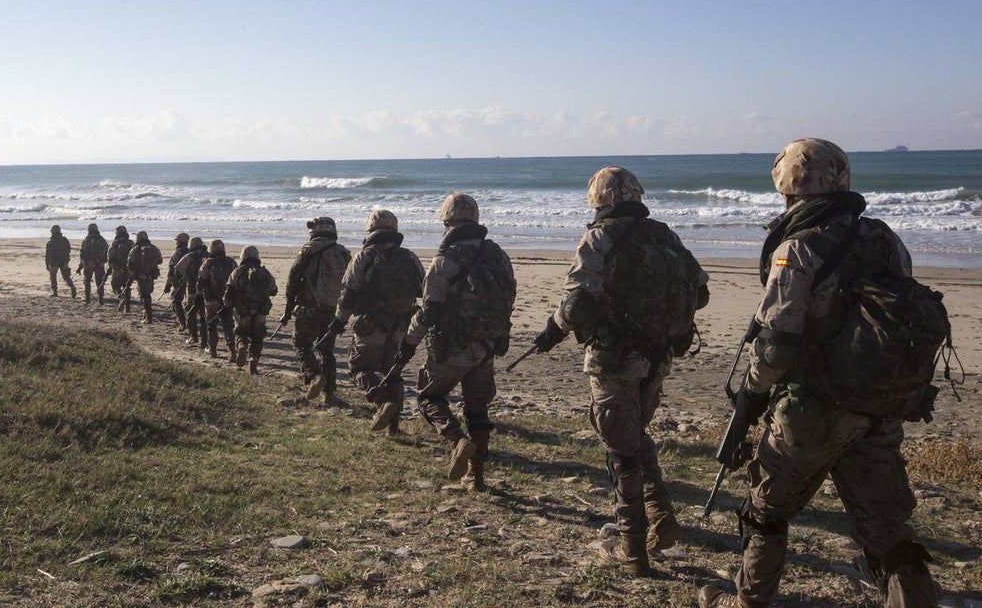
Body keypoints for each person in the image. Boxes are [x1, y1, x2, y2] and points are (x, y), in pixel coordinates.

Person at [699, 138, 939, 608]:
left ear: (788, 187)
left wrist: (750, 396)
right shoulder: (885, 239)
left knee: (764, 511)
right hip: (878, 405)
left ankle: (748, 602)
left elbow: (776, 343)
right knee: (887, 527)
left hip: (813, 412)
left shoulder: (799, 247)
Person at [532, 166, 709, 574]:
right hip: (659, 355)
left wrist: (551, 331)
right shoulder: (665, 235)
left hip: (614, 359)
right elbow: (700, 293)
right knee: (633, 435)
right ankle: (661, 515)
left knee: (620, 449)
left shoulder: (600, 237)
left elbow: (577, 304)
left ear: (599, 199)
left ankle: (631, 546)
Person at [398, 193, 516, 491]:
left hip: (451, 347)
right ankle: (476, 477)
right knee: (478, 409)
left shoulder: (443, 262)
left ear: (447, 223)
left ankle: (457, 440)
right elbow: (509, 297)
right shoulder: (498, 255)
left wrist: (408, 342)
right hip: (487, 346)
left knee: (428, 398)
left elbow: (429, 311)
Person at [333, 209, 424, 435]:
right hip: (402, 326)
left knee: (359, 369)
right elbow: (424, 289)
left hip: (370, 325)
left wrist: (339, 321)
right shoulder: (409, 257)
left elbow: (348, 294)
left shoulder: (363, 257)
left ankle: (382, 402)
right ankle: (393, 427)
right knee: (393, 373)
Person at [281, 216, 352, 403]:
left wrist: (288, 307)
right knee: (327, 350)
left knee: (301, 344)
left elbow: (293, 279)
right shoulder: (344, 253)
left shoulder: (308, 250)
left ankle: (314, 376)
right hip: (333, 310)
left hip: (309, 307)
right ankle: (329, 394)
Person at [224, 245, 277, 374]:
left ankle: (241, 346)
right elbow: (274, 291)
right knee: (257, 337)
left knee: (241, 333)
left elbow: (229, 292)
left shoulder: (237, 272)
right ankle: (253, 362)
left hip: (242, 310)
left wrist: (227, 304)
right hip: (260, 311)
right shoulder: (264, 272)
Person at [197, 239, 238, 358]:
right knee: (228, 324)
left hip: (211, 299)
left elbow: (201, 281)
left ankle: (212, 350)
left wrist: (199, 294)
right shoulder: (231, 262)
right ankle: (231, 351)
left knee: (211, 325)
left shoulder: (207, 263)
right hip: (227, 300)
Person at [174, 236, 209, 345]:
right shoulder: (209, 256)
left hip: (192, 289)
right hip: (208, 291)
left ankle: (193, 337)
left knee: (190, 312)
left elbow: (177, 270)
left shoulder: (190, 256)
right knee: (204, 315)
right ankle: (204, 341)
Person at [126, 231, 162, 324]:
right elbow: (160, 261)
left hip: (140, 275)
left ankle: (148, 317)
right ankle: (147, 314)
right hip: (151, 275)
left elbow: (130, 262)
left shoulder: (135, 249)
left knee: (143, 295)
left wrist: (133, 274)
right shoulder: (154, 248)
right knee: (148, 294)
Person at [164, 232, 191, 332]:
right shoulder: (191, 252)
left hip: (179, 281)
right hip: (191, 282)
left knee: (176, 301)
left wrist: (168, 284)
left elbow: (172, 269)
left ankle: (182, 323)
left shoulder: (178, 252)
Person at [78, 223, 109, 305]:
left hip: (89, 264)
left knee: (87, 281)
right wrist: (103, 261)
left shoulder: (86, 239)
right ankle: (101, 299)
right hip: (100, 264)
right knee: (100, 282)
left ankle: (87, 299)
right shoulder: (102, 239)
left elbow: (82, 253)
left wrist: (81, 264)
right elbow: (107, 251)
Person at [45, 225, 77, 299]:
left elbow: (48, 254)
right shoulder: (64, 240)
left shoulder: (51, 242)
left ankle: (55, 292)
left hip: (54, 262)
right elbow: (68, 249)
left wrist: (47, 263)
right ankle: (72, 287)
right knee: (66, 276)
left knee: (53, 277)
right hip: (64, 261)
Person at [107, 225, 134, 313]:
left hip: (117, 267)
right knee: (127, 287)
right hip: (129, 268)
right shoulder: (131, 243)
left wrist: (110, 267)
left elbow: (110, 256)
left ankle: (121, 297)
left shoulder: (115, 243)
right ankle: (128, 308)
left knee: (115, 286)